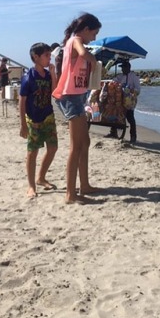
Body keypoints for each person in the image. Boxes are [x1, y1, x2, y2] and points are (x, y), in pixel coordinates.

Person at [52, 12, 102, 204]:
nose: (94, 38)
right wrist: (94, 62)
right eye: (94, 33)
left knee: (85, 142)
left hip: (77, 95)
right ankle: (70, 194)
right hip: (70, 96)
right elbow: (82, 53)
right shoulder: (75, 40)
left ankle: (85, 185)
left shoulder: (75, 40)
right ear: (86, 29)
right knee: (76, 146)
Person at [19, 43, 58, 199]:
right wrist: (22, 124)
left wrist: (54, 73)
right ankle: (31, 186)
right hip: (33, 119)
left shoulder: (48, 75)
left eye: (50, 55)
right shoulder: (29, 77)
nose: (49, 58)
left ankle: (41, 177)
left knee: (53, 148)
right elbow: (21, 102)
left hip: (48, 116)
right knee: (32, 152)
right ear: (36, 57)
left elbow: (55, 92)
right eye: (46, 55)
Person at [109, 60, 141, 143]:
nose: (122, 70)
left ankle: (133, 136)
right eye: (122, 68)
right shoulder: (121, 76)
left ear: (128, 68)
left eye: (123, 68)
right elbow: (114, 80)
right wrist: (114, 83)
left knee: (130, 118)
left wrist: (131, 90)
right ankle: (113, 132)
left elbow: (138, 89)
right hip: (119, 99)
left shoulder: (134, 76)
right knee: (116, 115)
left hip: (129, 101)